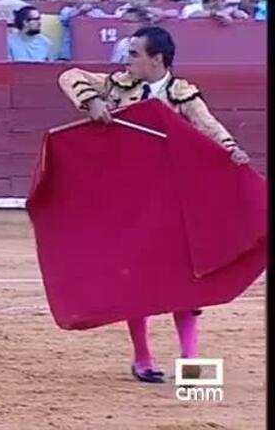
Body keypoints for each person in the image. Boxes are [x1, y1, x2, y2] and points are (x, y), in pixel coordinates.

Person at [57, 26, 250, 383]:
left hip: (175, 200)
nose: (126, 61)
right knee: (138, 278)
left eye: (133, 54)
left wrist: (230, 150)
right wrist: (92, 100)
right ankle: (143, 358)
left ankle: (191, 363)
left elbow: (209, 126)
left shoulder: (182, 94)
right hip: (130, 199)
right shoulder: (115, 85)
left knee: (187, 279)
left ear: (156, 59)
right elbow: (69, 76)